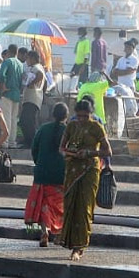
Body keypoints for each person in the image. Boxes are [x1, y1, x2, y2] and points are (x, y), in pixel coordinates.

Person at [57, 98, 111, 261]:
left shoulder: (96, 127)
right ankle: (69, 241)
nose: (81, 119)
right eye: (79, 116)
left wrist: (88, 153)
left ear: (91, 114)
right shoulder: (71, 126)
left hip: (89, 170)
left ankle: (79, 247)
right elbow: (61, 148)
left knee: (84, 207)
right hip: (73, 169)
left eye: (85, 116)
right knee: (70, 206)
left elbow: (108, 151)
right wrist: (71, 153)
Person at [26, 102, 68, 247]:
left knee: (44, 204)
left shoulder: (43, 129)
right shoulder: (68, 130)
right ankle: (59, 234)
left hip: (42, 172)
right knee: (60, 204)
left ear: (52, 114)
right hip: (61, 173)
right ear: (66, 116)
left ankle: (45, 231)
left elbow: (34, 149)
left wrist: (39, 163)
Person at [20, 50, 47, 147]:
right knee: (26, 120)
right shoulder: (38, 67)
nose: (26, 60)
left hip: (32, 98)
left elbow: (39, 75)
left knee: (26, 120)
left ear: (32, 58)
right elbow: (45, 83)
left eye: (27, 58)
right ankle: (27, 140)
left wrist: (32, 83)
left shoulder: (36, 67)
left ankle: (31, 141)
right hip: (35, 97)